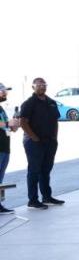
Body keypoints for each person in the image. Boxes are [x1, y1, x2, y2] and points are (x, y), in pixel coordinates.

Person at [19, 78, 65, 210]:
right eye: (39, 85)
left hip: (50, 141)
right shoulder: (29, 103)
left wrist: (55, 137)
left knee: (46, 170)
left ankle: (47, 197)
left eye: (44, 85)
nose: (42, 87)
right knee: (34, 170)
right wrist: (34, 138)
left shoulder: (51, 102)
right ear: (33, 87)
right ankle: (33, 200)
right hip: (34, 142)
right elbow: (23, 122)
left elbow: (55, 120)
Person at [0, 83, 21, 215]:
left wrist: (14, 126)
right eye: (3, 91)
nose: (5, 93)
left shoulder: (1, 108)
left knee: (0, 180)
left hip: (5, 148)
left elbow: (7, 127)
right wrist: (8, 123)